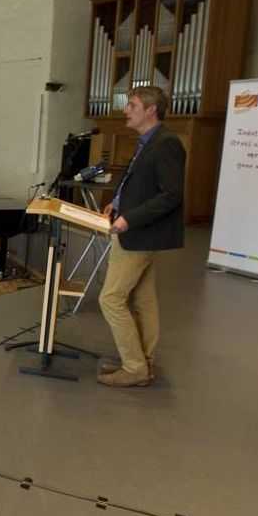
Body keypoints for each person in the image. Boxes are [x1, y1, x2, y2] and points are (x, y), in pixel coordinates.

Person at [97, 86, 185, 388]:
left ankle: (133, 366)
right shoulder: (147, 142)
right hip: (138, 231)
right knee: (143, 299)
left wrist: (128, 218)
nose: (126, 110)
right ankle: (142, 361)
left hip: (138, 232)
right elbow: (141, 183)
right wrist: (118, 203)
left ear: (151, 109)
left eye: (132, 105)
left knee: (110, 299)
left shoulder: (167, 143)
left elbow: (171, 194)